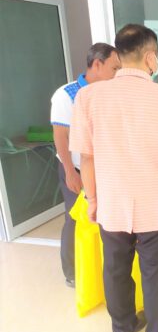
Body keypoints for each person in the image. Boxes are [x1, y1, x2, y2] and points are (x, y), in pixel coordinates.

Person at [69, 24, 158, 332]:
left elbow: (86, 157)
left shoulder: (88, 97)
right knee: (155, 277)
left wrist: (93, 200)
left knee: (115, 269)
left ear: (120, 55)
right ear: (151, 57)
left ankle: (122, 331)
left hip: (112, 203)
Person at [50, 42, 120, 288]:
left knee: (102, 218)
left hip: (103, 168)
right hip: (76, 168)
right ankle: (72, 272)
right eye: (114, 68)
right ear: (97, 64)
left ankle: (97, 268)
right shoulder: (67, 94)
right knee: (76, 217)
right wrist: (70, 171)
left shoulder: (109, 92)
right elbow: (60, 136)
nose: (117, 74)